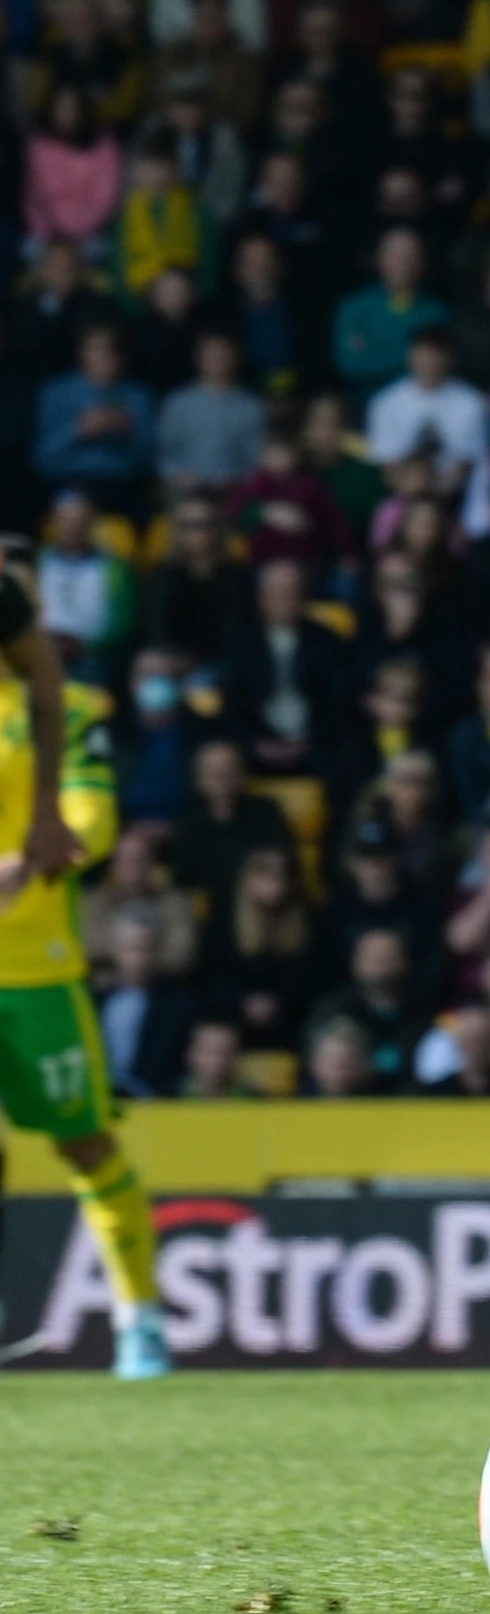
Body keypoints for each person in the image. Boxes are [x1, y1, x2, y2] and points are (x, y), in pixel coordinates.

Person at [0, 574, 161, 1377]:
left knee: (86, 1143)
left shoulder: (69, 712)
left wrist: (33, 856)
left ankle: (140, 1322)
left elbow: (90, 820)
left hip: (38, 968)